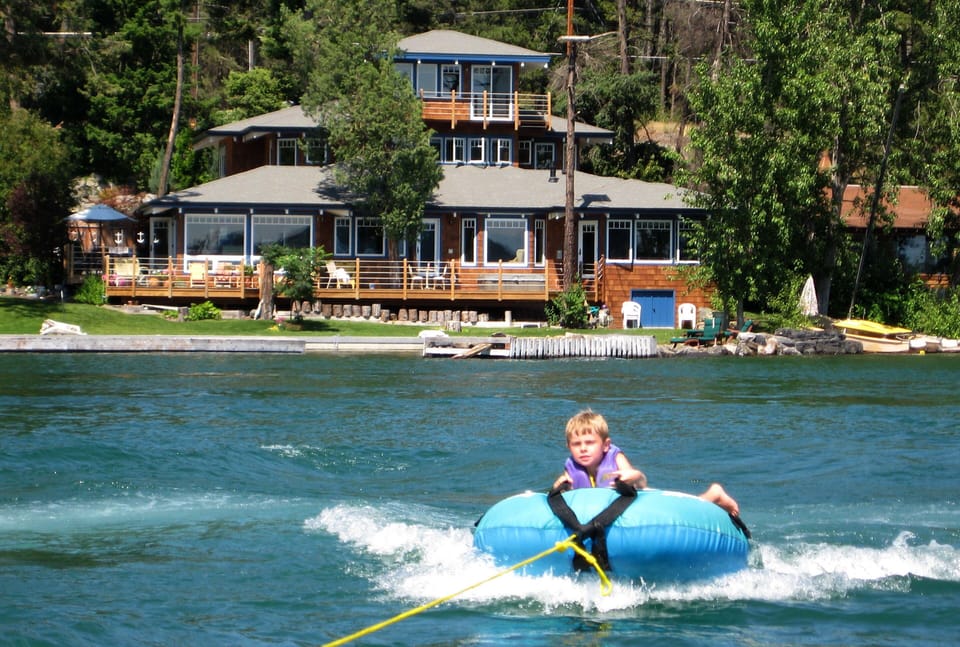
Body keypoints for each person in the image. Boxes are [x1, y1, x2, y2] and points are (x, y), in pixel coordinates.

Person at [552, 410, 741, 517]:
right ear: (569, 446)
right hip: (603, 515)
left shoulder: (615, 458)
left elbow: (640, 480)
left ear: (605, 445)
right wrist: (560, 486)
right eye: (576, 444)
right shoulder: (572, 468)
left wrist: (633, 476)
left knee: (678, 516)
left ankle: (714, 495)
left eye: (590, 443)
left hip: (638, 505)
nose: (583, 449)